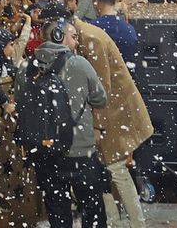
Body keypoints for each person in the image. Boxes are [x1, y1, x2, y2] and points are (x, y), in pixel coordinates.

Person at [19, 17, 110, 228]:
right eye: (74, 36)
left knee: (58, 212)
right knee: (93, 210)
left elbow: (21, 101)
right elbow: (101, 99)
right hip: (79, 150)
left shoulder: (27, 67)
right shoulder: (78, 63)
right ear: (59, 36)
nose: (76, 42)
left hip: (45, 152)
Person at [70, 19, 151, 228]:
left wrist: (97, 126)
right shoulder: (86, 34)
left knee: (115, 170)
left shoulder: (91, 39)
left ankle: (136, 224)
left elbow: (101, 88)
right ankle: (116, 222)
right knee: (105, 171)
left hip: (114, 114)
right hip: (111, 113)